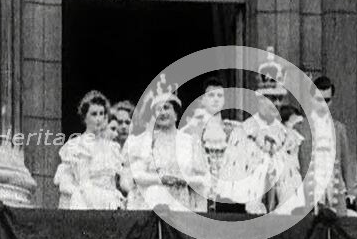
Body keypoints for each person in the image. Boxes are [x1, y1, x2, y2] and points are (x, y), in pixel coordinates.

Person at [218, 56, 304, 214]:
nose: (276, 103)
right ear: (259, 99)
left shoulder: (288, 137)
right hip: (246, 215)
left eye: (279, 98)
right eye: (271, 98)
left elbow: (292, 183)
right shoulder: (242, 132)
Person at [126, 75, 208, 211]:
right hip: (154, 202)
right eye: (158, 109)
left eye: (166, 107)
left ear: (176, 113)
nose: (162, 113)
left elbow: (203, 179)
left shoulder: (189, 141)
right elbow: (138, 175)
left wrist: (184, 180)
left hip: (182, 202)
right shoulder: (146, 141)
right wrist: (161, 179)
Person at [53, 90, 126, 210]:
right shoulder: (77, 145)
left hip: (109, 202)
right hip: (85, 201)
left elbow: (112, 183)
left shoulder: (112, 148)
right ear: (85, 117)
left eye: (101, 113)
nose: (98, 119)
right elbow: (79, 182)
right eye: (94, 114)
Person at [297, 76, 356, 216]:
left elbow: (346, 163)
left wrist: (351, 193)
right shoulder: (300, 128)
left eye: (327, 100)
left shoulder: (339, 129)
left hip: (334, 192)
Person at [181, 77, 241, 210]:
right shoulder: (191, 130)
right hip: (201, 192)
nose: (215, 99)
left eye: (220, 95)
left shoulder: (233, 129)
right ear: (203, 100)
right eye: (211, 95)